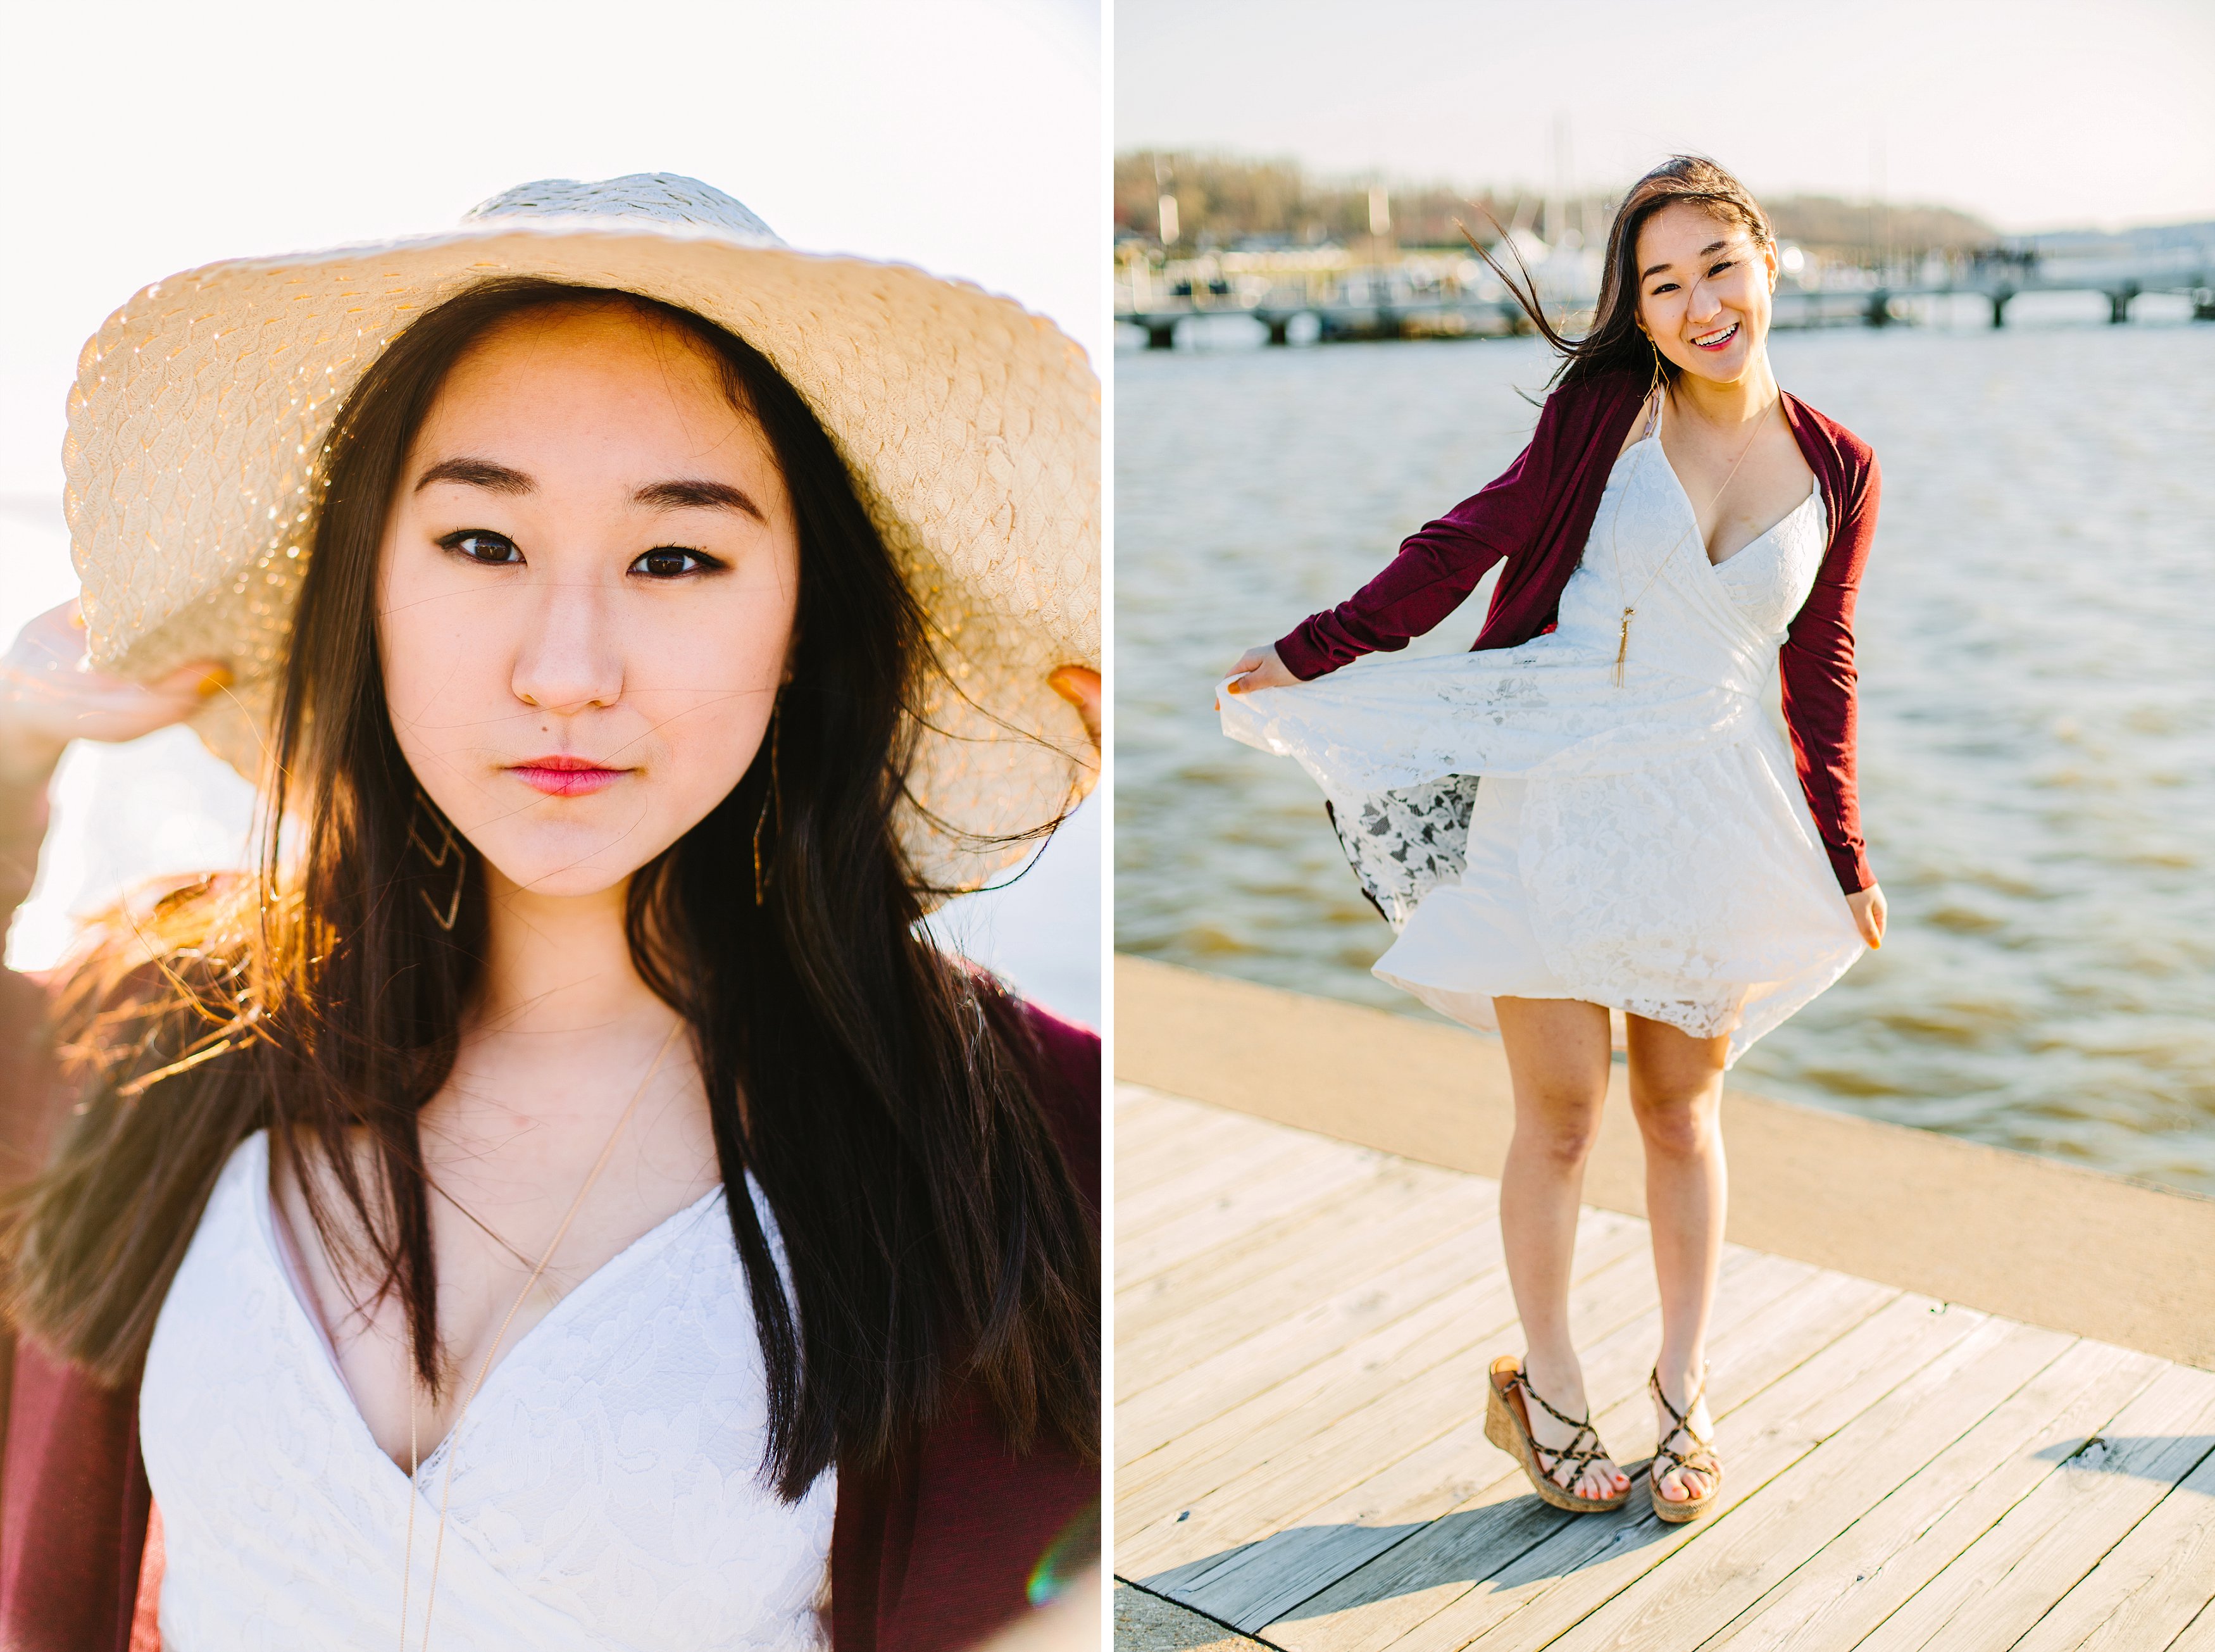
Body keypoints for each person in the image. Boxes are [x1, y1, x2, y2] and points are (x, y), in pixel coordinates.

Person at [0, 174, 1101, 1651]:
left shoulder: (1019, 1130)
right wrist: (16, 739)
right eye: (481, 544)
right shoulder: (172, 1031)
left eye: (675, 558)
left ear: (802, 630)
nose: (567, 668)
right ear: (369, 586)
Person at [1218, 156, 1885, 1523]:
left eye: (1718, 267)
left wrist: (1846, 852)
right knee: (1566, 1114)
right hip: (1555, 779)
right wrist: (1308, 650)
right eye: (1664, 283)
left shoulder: (1840, 466)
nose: (1701, 303)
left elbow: (1821, 668)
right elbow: (1470, 540)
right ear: (1634, 313)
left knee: (1681, 1110)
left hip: (1710, 800)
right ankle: (1555, 1388)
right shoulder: (1605, 412)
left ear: (1767, 262)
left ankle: (1686, 1393)